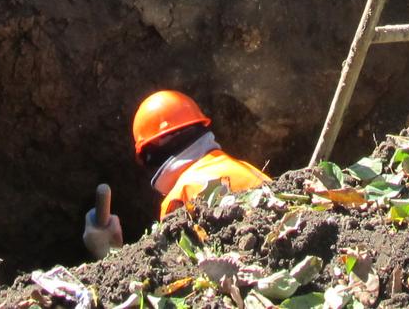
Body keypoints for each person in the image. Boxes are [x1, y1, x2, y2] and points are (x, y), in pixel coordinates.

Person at [83, 90, 270, 258]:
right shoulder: (246, 169)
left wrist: (108, 251)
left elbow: (172, 275)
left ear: (149, 154)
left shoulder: (180, 196)